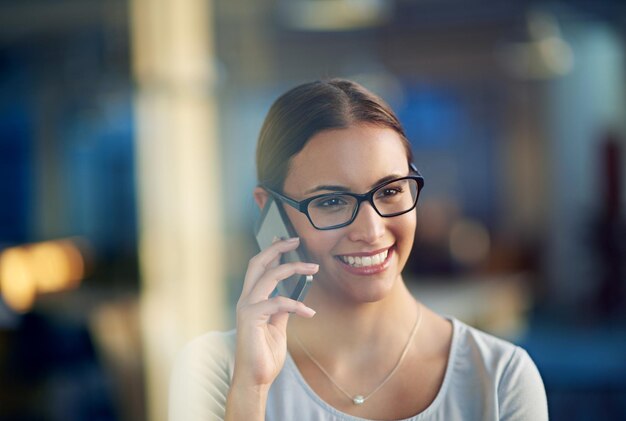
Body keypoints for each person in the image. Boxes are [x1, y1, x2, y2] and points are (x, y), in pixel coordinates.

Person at [169, 79, 548, 421]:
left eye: (390, 191)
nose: (371, 229)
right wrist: (250, 393)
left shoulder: (500, 378)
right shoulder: (218, 370)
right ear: (269, 210)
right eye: (332, 201)